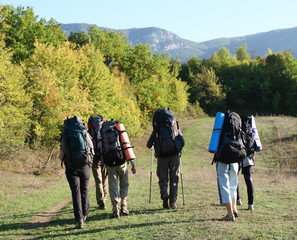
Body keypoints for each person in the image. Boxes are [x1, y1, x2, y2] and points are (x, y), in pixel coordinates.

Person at [59, 116, 94, 229]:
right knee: (85, 190)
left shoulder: (65, 135)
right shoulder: (84, 132)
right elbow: (92, 149)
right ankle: (85, 214)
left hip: (71, 167)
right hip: (85, 166)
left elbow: (61, 155)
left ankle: (79, 219)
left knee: (75, 192)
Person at [146, 108, 185, 209]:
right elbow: (182, 141)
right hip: (174, 155)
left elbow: (148, 144)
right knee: (174, 178)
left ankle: (164, 194)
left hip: (161, 156)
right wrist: (178, 148)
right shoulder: (174, 126)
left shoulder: (158, 128)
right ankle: (172, 203)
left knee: (163, 178)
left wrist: (155, 143)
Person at [100, 120, 137, 218]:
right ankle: (124, 206)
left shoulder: (103, 133)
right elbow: (126, 145)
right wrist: (132, 164)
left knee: (113, 187)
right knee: (124, 184)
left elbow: (101, 150)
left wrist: (104, 164)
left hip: (110, 164)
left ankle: (115, 208)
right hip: (121, 162)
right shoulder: (119, 130)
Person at [88, 115, 108, 210]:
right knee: (104, 179)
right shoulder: (104, 130)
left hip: (94, 158)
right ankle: (105, 198)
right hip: (104, 156)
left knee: (98, 181)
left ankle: (101, 202)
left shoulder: (88, 132)